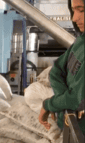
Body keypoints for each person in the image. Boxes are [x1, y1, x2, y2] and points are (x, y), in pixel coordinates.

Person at [38, 0, 84, 135]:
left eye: (81, 10)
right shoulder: (81, 42)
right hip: (72, 128)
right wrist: (63, 100)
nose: (74, 18)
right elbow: (56, 70)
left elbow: (77, 100)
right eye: (73, 10)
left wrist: (49, 104)